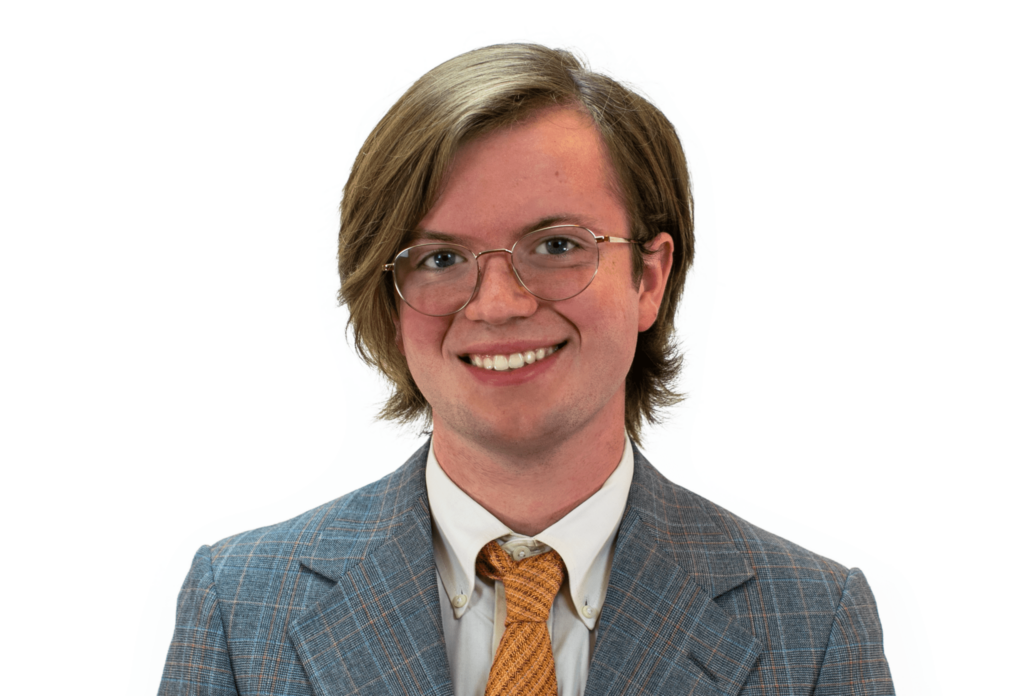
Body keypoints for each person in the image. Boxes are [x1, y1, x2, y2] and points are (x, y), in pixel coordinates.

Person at [159, 44, 894, 696]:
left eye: (555, 245)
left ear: (649, 277)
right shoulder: (241, 608)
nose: (499, 304)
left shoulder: (813, 627)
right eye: (440, 259)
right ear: (387, 297)